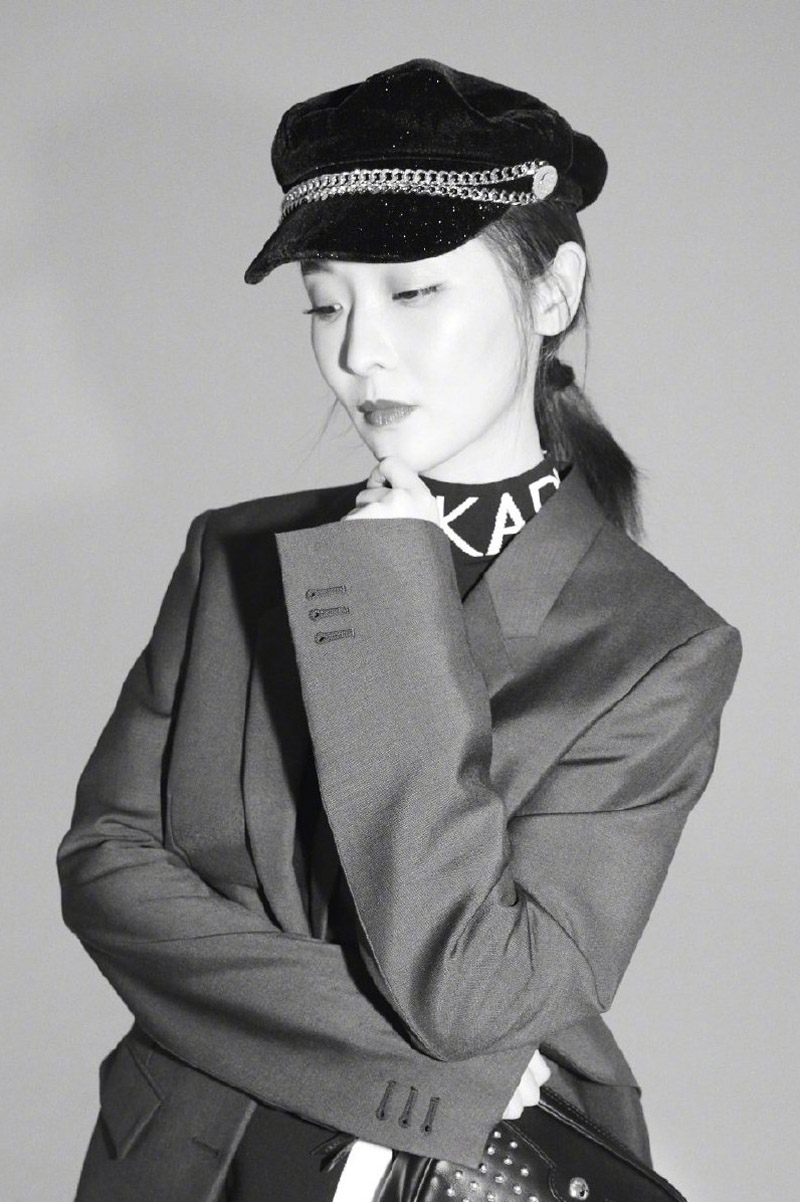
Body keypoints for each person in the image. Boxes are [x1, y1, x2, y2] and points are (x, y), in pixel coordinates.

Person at [57, 58, 742, 1202]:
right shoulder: (233, 551)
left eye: (411, 293)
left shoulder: (655, 648)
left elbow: (475, 992)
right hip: (181, 1160)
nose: (358, 351)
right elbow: (106, 867)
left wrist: (387, 598)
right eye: (325, 303)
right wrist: (445, 1076)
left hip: (445, 1175)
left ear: (552, 292)